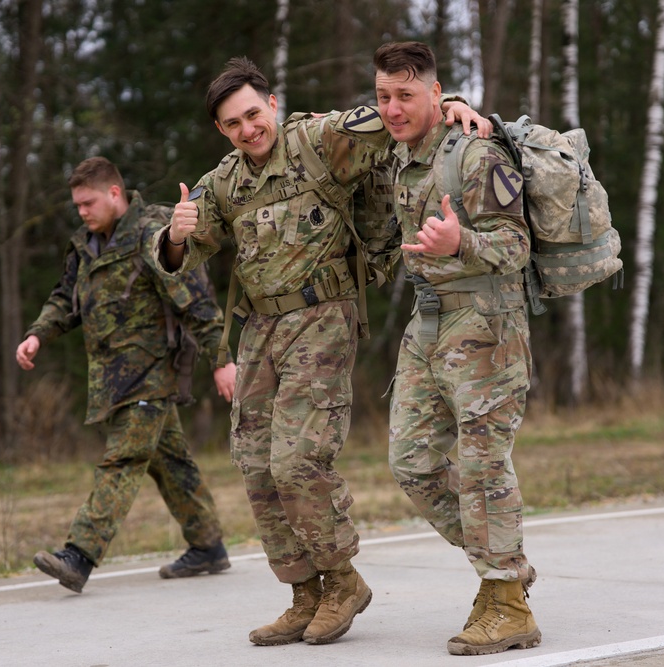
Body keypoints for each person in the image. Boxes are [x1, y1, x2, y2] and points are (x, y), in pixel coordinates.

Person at [155, 57, 489, 646]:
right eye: (233, 124)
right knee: (255, 463)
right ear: (221, 130)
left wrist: (453, 101)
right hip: (259, 329)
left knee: (298, 460)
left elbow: (396, 112)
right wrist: (175, 236)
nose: (248, 129)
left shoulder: (320, 139)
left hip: (323, 316)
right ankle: (303, 590)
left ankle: (341, 582)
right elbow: (183, 253)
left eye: (253, 114)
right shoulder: (225, 180)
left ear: (273, 104)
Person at [373, 41, 541, 656]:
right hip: (427, 326)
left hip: (486, 326)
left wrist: (460, 243)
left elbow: (515, 246)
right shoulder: (397, 146)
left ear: (436, 94)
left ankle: (506, 603)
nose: (392, 108)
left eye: (405, 95)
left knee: (481, 466)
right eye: (384, 95)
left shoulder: (475, 152)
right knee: (412, 464)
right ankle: (508, 569)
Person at [16, 157, 236, 594]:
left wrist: (222, 359)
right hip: (111, 378)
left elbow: (196, 301)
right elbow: (66, 298)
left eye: (88, 203)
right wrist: (38, 333)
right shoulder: (85, 244)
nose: (81, 212)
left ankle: (78, 554)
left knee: (123, 460)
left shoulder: (152, 233)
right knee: (169, 462)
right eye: (76, 205)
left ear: (114, 193)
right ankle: (208, 544)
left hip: (154, 371)